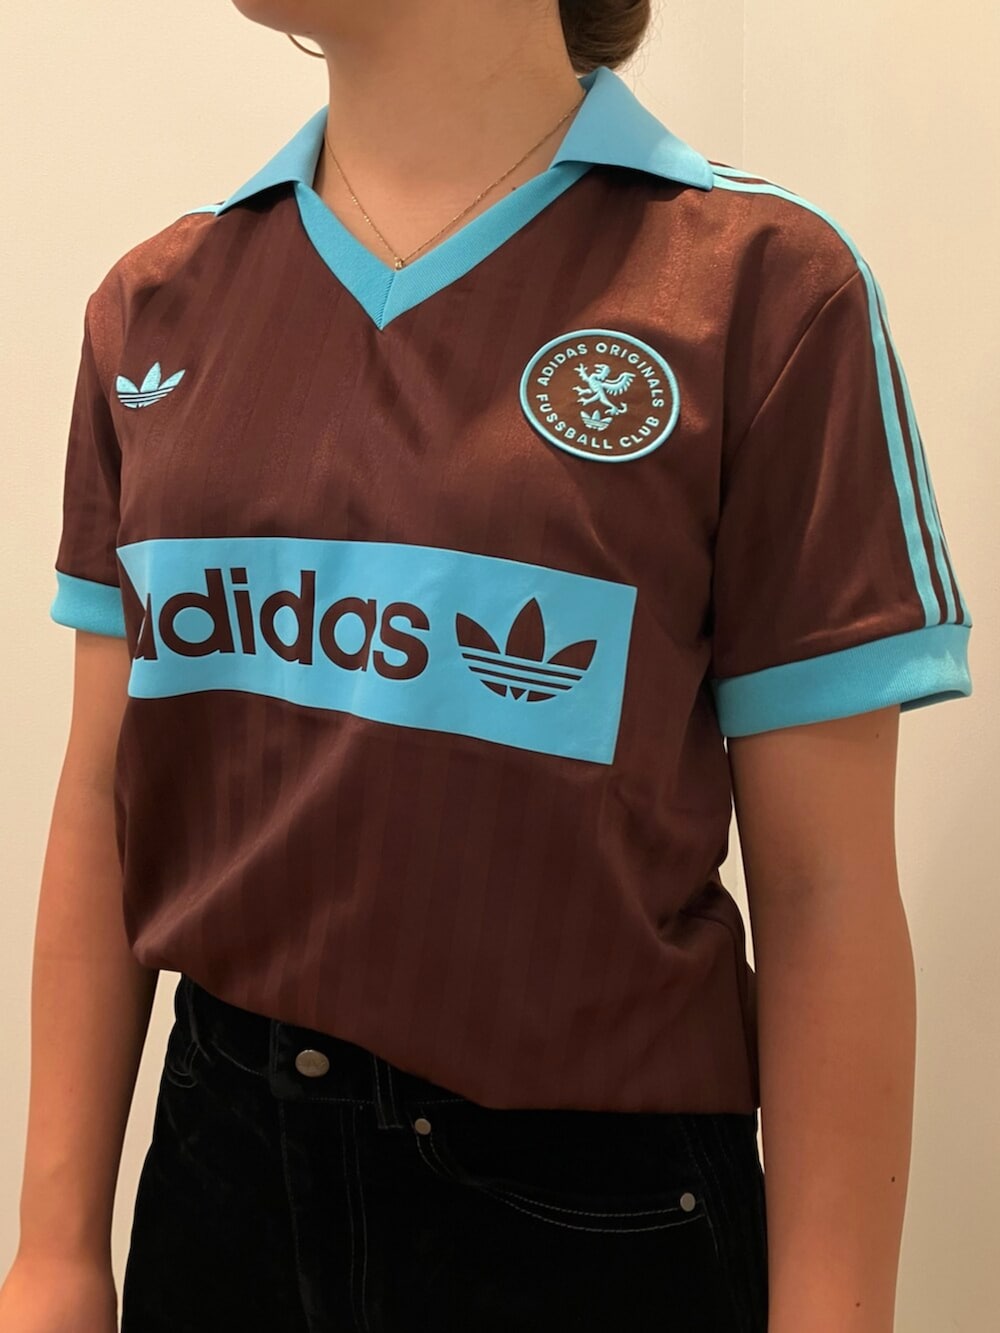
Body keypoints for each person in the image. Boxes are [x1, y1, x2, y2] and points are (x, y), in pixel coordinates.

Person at [2, 1, 974, 1330]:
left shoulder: (760, 290)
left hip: (593, 1216)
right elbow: (101, 806)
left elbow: (826, 893)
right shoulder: (156, 305)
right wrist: (55, 1249)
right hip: (221, 1174)